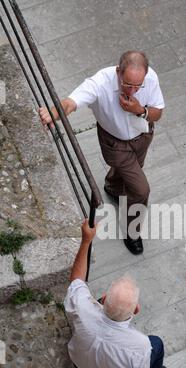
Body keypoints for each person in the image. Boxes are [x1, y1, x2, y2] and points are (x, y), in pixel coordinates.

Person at [39, 51, 165, 255]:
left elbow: (158, 112)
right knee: (141, 190)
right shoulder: (100, 83)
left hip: (142, 136)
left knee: (130, 172)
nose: (132, 90)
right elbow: (72, 102)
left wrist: (139, 110)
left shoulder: (150, 78)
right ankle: (133, 232)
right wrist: (55, 112)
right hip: (116, 145)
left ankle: (113, 187)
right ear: (118, 72)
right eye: (127, 84)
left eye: (137, 86)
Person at [64, 220, 168, 368]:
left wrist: (86, 240)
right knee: (158, 344)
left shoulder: (82, 307)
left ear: (103, 299)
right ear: (136, 310)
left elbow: (76, 280)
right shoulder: (141, 346)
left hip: (78, 364)